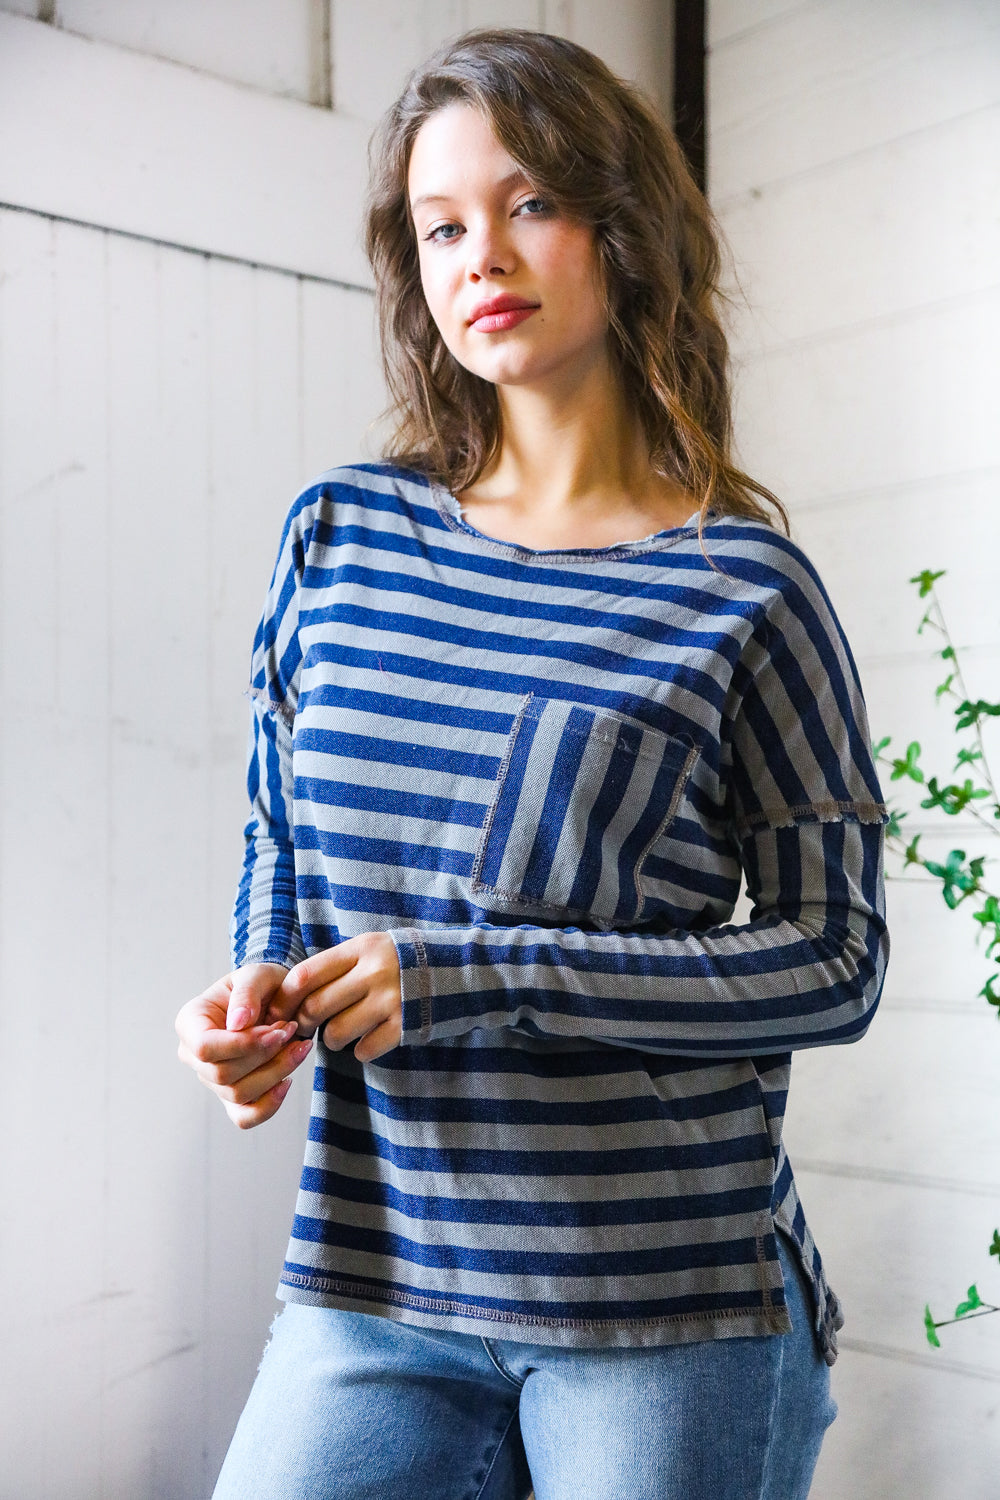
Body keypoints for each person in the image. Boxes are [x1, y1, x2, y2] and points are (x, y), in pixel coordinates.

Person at [176, 28, 889, 1500]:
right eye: (441, 227)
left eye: (530, 203)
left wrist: (480, 974)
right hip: (377, 1273)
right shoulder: (341, 537)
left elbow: (837, 961)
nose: (481, 257)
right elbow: (279, 836)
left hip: (666, 1301)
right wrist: (257, 997)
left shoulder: (744, 590)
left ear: (624, 229)